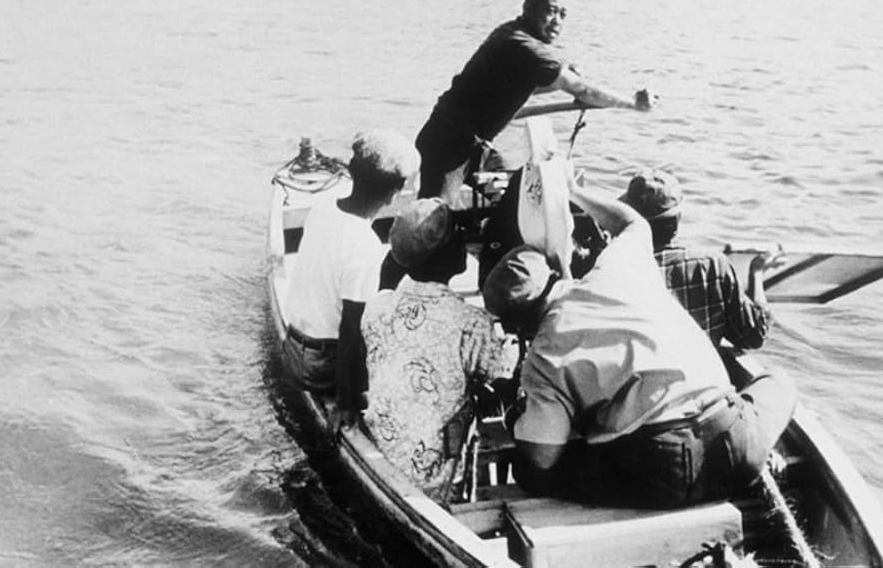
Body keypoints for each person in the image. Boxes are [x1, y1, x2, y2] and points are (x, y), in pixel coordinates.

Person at [482, 177, 797, 508]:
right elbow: (632, 222)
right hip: (737, 443)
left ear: (519, 322)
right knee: (778, 382)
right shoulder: (620, 267)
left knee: (533, 473)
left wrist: (522, 422)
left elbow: (543, 457)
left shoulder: (543, 358)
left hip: (666, 473)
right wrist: (573, 192)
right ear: (554, 274)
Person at [415, 0, 658, 199]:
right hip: (446, 148)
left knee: (521, 197)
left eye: (563, 15)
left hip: (473, 148)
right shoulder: (523, 46)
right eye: (551, 11)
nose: (557, 22)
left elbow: (519, 86)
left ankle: (497, 239)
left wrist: (566, 82)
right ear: (528, 7)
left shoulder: (511, 33)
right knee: (430, 225)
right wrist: (633, 103)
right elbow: (583, 91)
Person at [360, 198, 508, 500]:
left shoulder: (377, 307)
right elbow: (497, 379)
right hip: (435, 477)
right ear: (449, 253)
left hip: (383, 449)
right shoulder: (472, 323)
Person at [282, 129, 418, 419]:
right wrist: (348, 402)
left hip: (293, 348)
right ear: (398, 188)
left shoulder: (323, 206)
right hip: (320, 366)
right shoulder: (364, 244)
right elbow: (351, 332)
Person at [622, 168, 781, 350]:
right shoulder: (712, 265)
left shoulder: (618, 267)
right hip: (697, 375)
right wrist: (757, 272)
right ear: (677, 219)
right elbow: (754, 336)